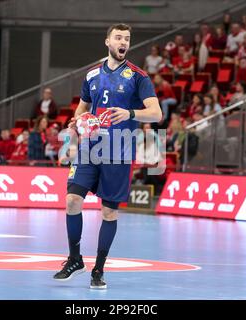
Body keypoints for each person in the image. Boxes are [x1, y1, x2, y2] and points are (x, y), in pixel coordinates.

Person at [53, 23, 162, 289]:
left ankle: (98, 269)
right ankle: (75, 258)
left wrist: (131, 114)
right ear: (108, 42)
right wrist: (75, 126)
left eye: (127, 38)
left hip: (119, 152)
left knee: (109, 213)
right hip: (90, 148)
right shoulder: (91, 75)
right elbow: (82, 109)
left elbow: (157, 113)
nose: (123, 41)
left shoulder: (138, 77)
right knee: (71, 200)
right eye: (118, 37)